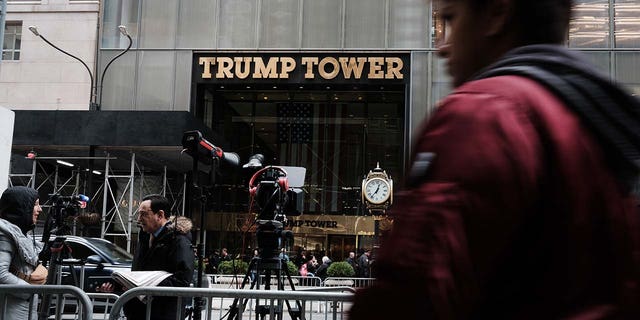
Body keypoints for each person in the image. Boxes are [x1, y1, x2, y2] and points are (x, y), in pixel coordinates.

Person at [350, 0, 640, 319]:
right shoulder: (595, 129)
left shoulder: (483, 114)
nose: (441, 47)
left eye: (451, 19)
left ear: (497, 14)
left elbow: (413, 290)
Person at [99, 194, 194, 320]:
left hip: (162, 314)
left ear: (160, 215)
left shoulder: (179, 240)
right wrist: (117, 285)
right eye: (138, 214)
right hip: (137, 313)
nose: (138, 219)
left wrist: (144, 289)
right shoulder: (144, 237)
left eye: (143, 214)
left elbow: (182, 280)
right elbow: (139, 274)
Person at [0, 186, 47, 320]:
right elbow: (0, 274)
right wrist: (31, 291)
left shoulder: (19, 233)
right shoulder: (4, 233)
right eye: (36, 204)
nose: (40, 209)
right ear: (22, 207)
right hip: (9, 312)